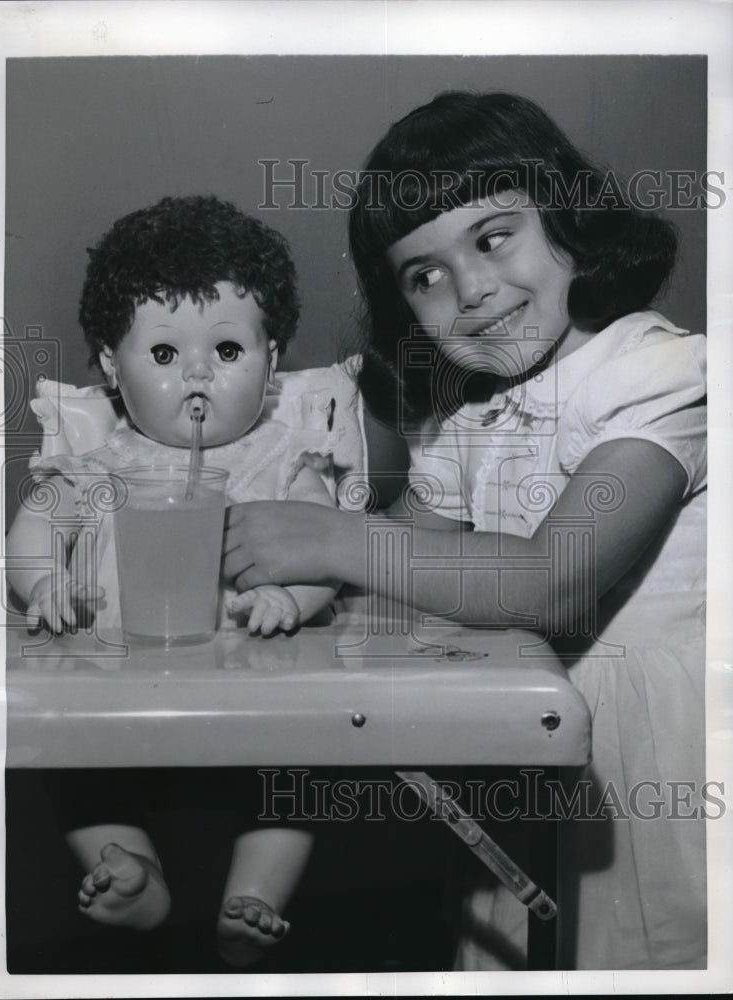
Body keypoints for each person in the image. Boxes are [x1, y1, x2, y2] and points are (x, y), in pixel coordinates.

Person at [222, 92, 707, 970]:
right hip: (523, 777)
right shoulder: (462, 422)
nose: (472, 290)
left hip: (659, 787)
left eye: (492, 238)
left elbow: (553, 580)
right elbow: (396, 575)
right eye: (424, 274)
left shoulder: (658, 371)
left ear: (567, 218)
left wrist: (331, 540)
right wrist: (279, 585)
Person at [6, 195, 339, 966]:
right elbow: (31, 533)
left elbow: (325, 550)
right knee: (75, 776)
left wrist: (290, 597)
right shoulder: (93, 467)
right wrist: (42, 583)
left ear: (273, 360)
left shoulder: (279, 463)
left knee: (298, 775)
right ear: (108, 369)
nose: (197, 376)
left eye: (227, 352)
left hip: (255, 694)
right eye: (163, 355)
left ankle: (252, 896)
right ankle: (133, 877)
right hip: (117, 691)